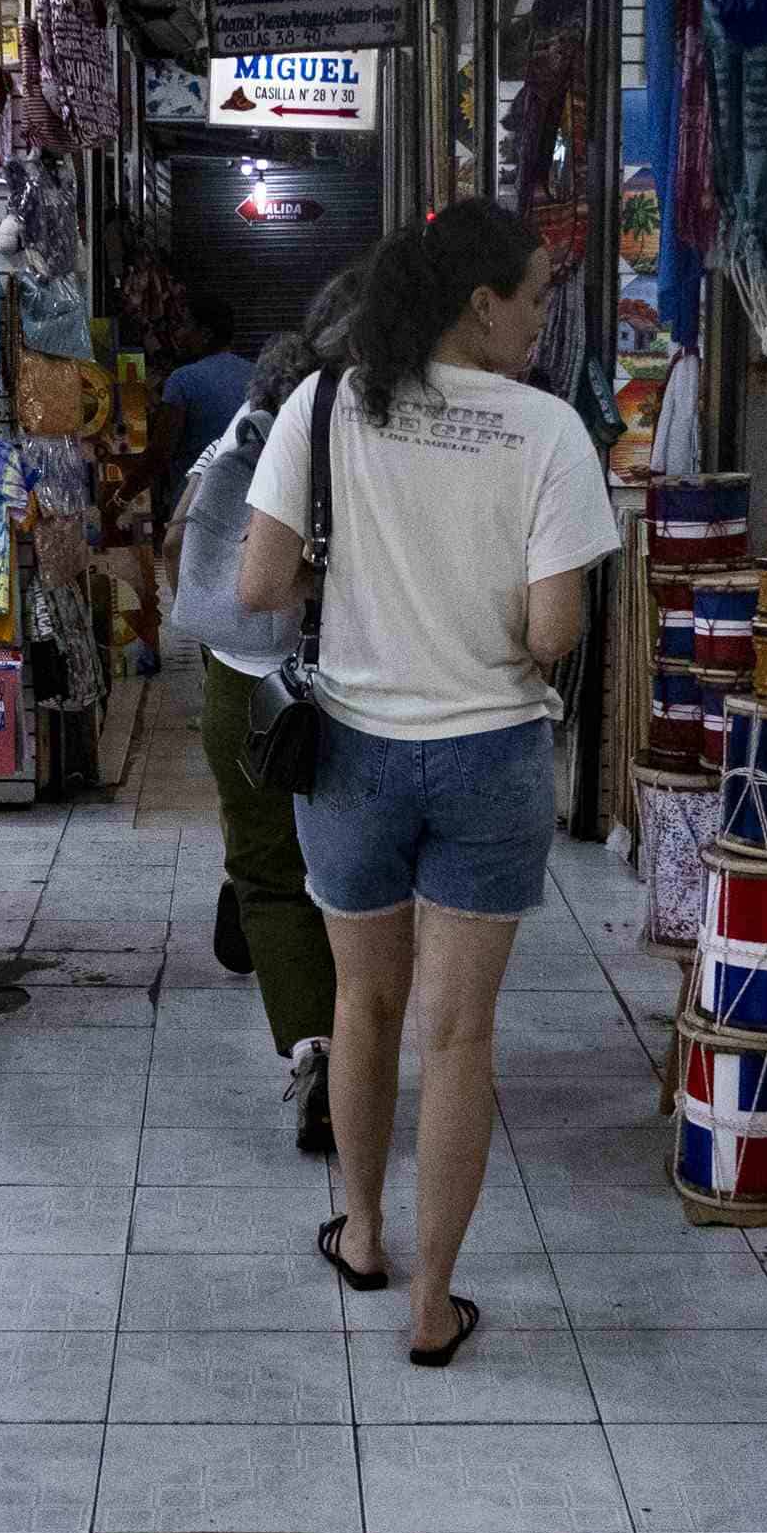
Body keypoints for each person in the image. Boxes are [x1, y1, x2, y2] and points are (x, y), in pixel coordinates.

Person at [238, 199, 614, 1364]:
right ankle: (434, 1300)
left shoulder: (322, 404)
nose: (546, 319)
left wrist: (355, 574)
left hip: (347, 749)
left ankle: (359, 1232)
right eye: (541, 294)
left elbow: (258, 585)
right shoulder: (549, 435)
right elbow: (554, 631)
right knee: (458, 1036)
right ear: (481, 304)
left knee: (366, 1006)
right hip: (491, 759)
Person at [166, 286, 355, 1153]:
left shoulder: (246, 432)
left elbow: (180, 545)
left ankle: (315, 1050)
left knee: (269, 872)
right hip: (359, 685)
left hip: (247, 686)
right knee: (353, 878)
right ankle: (362, 1050)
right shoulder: (365, 436)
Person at [154, 296, 255, 512]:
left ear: (205, 334)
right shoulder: (258, 375)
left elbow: (160, 453)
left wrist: (120, 498)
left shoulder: (182, 380)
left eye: (185, 325)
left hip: (194, 509)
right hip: (247, 506)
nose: (178, 334)